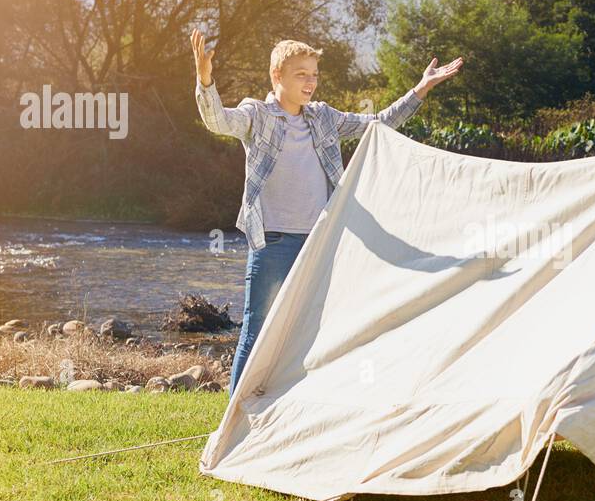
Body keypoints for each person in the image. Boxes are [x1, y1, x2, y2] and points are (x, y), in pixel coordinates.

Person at [189, 30, 463, 393]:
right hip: (273, 242)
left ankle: (294, 408)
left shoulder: (323, 118)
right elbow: (218, 121)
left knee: (313, 333)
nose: (311, 82)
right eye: (301, 74)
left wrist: (420, 90)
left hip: (320, 243)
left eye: (314, 74)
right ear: (277, 77)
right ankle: (237, 417)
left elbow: (378, 123)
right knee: (257, 329)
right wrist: (205, 79)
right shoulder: (257, 115)